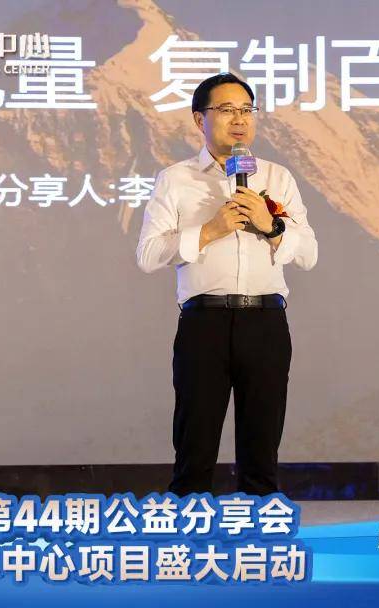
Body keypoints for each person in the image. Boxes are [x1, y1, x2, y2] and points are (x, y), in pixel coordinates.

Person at [135, 73, 318, 496]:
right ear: (200, 119)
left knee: (261, 448)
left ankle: (260, 532)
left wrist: (271, 226)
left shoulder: (277, 177)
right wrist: (209, 231)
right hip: (205, 324)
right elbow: (148, 255)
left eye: (246, 110)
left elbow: (309, 253)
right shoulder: (175, 179)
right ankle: (187, 532)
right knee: (194, 448)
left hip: (265, 322)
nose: (239, 119)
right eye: (227, 109)